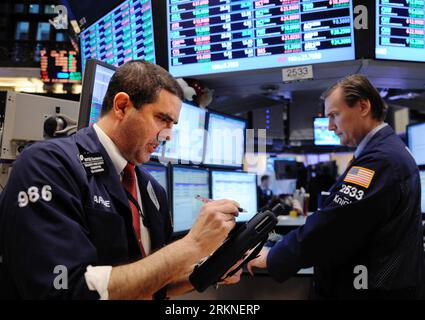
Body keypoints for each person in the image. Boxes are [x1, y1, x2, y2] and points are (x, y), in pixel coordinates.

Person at [0, 60, 241, 299]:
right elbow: (65, 290)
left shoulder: (152, 190)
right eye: (162, 119)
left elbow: (155, 282)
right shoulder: (47, 166)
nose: (168, 135)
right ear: (122, 106)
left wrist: (208, 269)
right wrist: (192, 245)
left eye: (172, 124)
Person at [248, 74, 425, 299]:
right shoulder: (386, 151)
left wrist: (274, 257)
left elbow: (334, 225)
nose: (330, 126)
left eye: (334, 115)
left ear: (363, 106)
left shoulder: (380, 160)